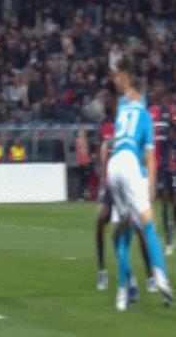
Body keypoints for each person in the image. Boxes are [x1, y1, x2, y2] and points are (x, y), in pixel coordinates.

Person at [107, 57, 172, 311]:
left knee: (119, 235)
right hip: (134, 170)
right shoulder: (145, 116)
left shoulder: (122, 111)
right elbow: (150, 159)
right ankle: (161, 278)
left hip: (114, 166)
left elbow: (115, 141)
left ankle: (123, 292)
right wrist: (151, 186)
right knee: (148, 225)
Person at [95, 82, 154, 293]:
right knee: (101, 220)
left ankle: (149, 275)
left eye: (106, 98)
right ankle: (102, 271)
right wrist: (102, 184)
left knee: (138, 229)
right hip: (112, 183)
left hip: (129, 180)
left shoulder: (127, 119)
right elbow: (104, 156)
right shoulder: (104, 125)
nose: (103, 102)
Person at [148, 80, 173, 255]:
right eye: (153, 88)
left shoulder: (167, 111)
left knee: (166, 200)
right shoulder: (148, 111)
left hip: (165, 163)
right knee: (149, 201)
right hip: (151, 164)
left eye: (158, 88)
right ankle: (154, 239)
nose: (155, 91)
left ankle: (169, 239)